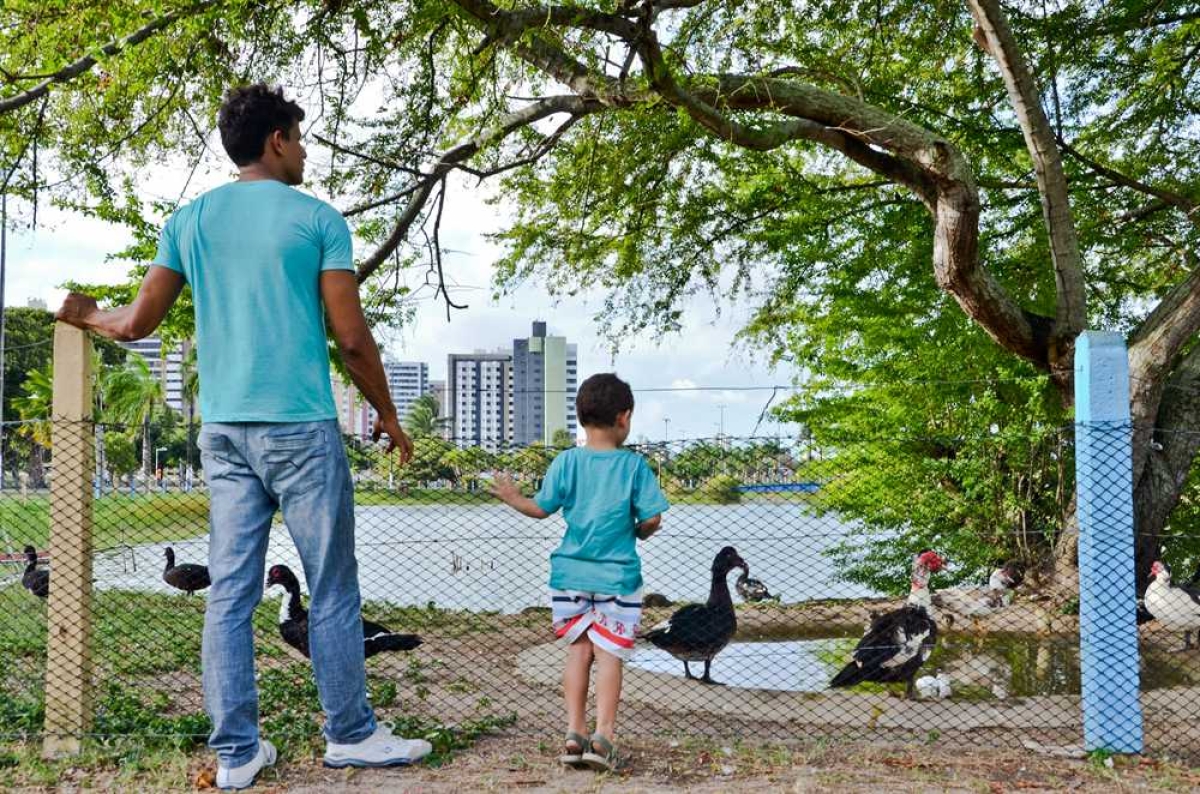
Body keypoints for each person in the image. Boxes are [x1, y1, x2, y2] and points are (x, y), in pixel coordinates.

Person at [56, 84, 429, 789]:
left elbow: (136, 323)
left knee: (230, 592)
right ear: (278, 141)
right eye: (301, 136)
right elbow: (350, 339)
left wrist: (87, 315)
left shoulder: (189, 220)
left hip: (224, 432)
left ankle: (236, 755)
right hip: (299, 429)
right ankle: (350, 734)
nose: (307, 151)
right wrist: (388, 411)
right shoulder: (318, 220)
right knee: (333, 585)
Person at [491, 373, 669, 772]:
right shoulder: (634, 466)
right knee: (609, 654)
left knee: (578, 650)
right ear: (624, 417)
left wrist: (512, 497)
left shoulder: (567, 461)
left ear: (581, 417)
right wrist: (640, 529)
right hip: (617, 578)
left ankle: (574, 732)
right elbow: (653, 518)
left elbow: (541, 509)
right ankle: (603, 736)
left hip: (569, 576)